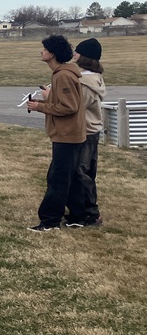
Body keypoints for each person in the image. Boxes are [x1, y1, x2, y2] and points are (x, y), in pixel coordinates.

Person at [27, 35, 86, 232]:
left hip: (67, 135)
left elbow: (69, 107)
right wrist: (41, 104)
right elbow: (63, 104)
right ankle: (79, 216)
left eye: (44, 49)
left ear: (52, 53)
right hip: (69, 134)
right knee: (71, 178)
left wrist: (39, 108)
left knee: (58, 179)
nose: (41, 52)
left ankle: (50, 221)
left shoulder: (63, 75)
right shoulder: (62, 74)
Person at [72, 38, 106, 227]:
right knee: (85, 171)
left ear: (84, 57)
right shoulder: (93, 78)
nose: (74, 54)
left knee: (81, 172)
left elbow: (77, 106)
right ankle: (80, 210)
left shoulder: (86, 82)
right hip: (92, 130)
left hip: (86, 131)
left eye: (77, 52)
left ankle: (91, 214)